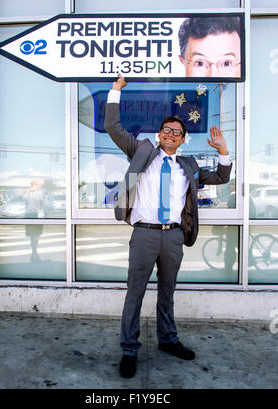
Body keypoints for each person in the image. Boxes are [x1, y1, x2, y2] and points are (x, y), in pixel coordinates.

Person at [104, 74, 232, 378]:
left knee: (167, 292)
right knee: (134, 293)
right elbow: (112, 127)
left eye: (177, 132)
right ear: (160, 134)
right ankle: (129, 349)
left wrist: (223, 152)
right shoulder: (142, 151)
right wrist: (115, 91)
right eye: (167, 130)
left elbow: (222, 178)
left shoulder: (188, 167)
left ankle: (168, 340)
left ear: (184, 138)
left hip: (173, 236)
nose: (171, 134)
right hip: (144, 234)